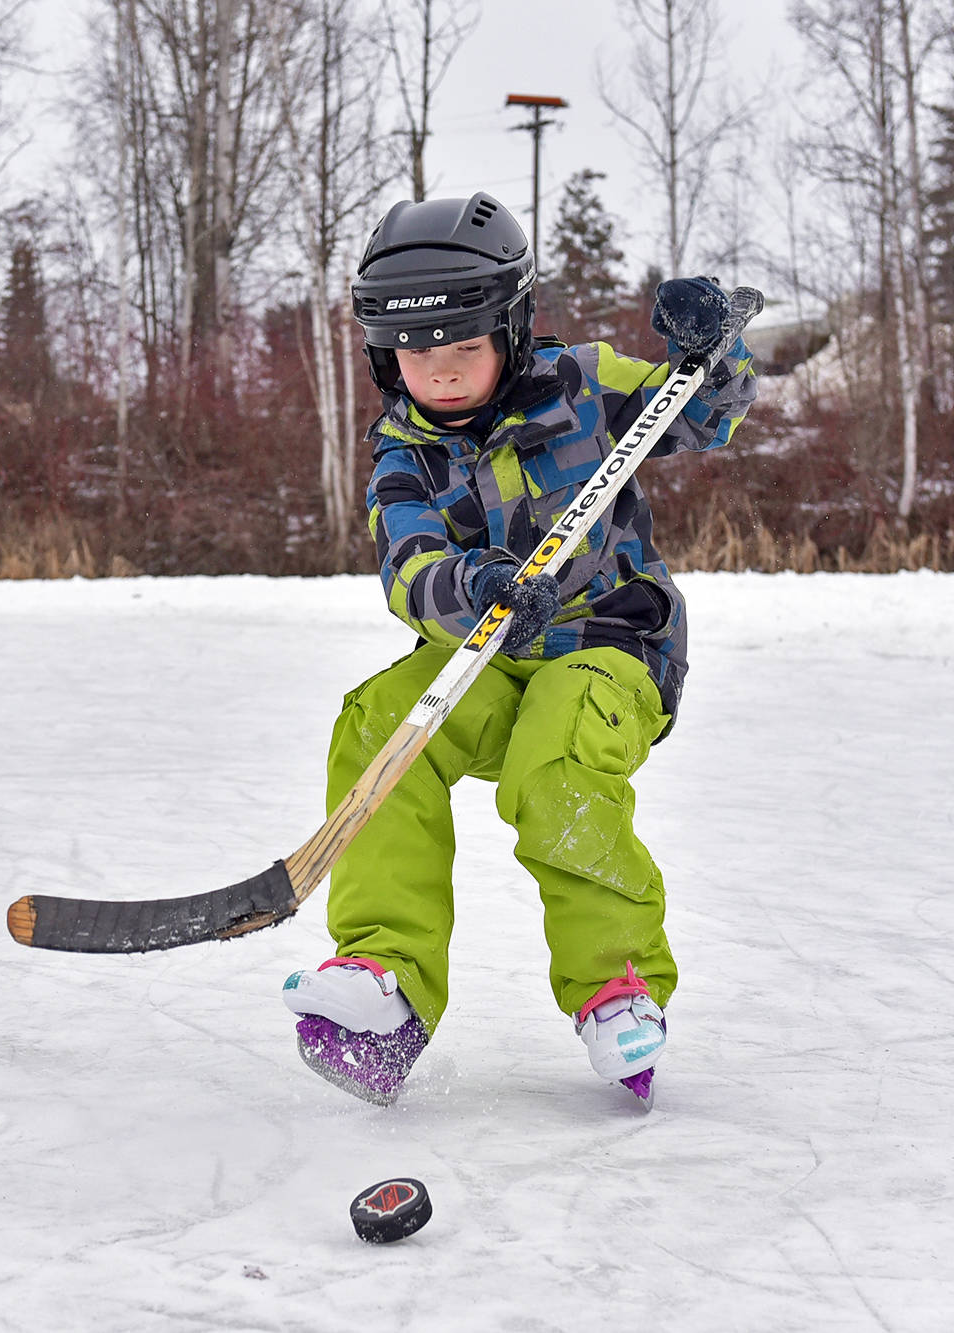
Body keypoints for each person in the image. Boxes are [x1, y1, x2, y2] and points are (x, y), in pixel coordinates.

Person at [279, 193, 757, 1109]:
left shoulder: (583, 382)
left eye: (465, 349)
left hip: (610, 645)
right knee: (380, 723)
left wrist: (713, 351)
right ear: (387, 355)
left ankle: (617, 984)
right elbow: (408, 571)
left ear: (511, 327)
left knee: (556, 753)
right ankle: (387, 981)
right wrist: (476, 586)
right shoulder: (402, 452)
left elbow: (704, 415)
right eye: (420, 356)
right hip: (485, 649)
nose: (444, 375)